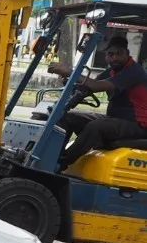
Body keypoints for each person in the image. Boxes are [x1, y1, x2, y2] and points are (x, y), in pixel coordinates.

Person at [47, 35, 147, 168]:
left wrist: (70, 72)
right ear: (106, 56)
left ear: (127, 54)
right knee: (68, 118)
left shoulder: (133, 71)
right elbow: (88, 86)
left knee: (96, 127)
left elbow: (96, 85)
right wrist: (71, 83)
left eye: (119, 54)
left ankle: (61, 164)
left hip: (138, 125)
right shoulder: (112, 71)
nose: (114, 58)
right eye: (110, 54)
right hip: (116, 119)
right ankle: (52, 156)